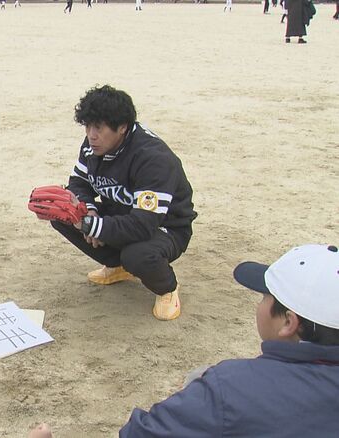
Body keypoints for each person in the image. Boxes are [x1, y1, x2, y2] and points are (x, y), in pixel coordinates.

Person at [120, 244, 339, 436]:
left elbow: (141, 433)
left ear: (289, 323)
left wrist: (203, 392)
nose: (260, 305)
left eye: (265, 297)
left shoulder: (230, 387)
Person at [51, 85, 196, 321]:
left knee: (138, 255)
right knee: (63, 211)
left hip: (164, 226)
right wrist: (88, 210)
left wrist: (92, 226)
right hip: (121, 212)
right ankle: (118, 267)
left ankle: (167, 288)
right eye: (87, 126)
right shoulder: (93, 145)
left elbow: (143, 224)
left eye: (98, 128)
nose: (91, 135)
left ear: (122, 128)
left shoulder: (153, 159)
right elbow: (78, 182)